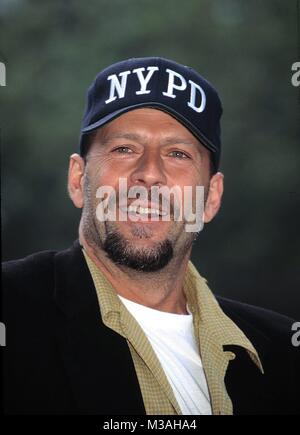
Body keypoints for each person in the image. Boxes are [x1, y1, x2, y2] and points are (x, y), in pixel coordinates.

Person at [2, 57, 299, 415]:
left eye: (178, 154)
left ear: (212, 198)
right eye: (124, 149)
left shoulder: (284, 352)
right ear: (78, 179)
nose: (149, 174)